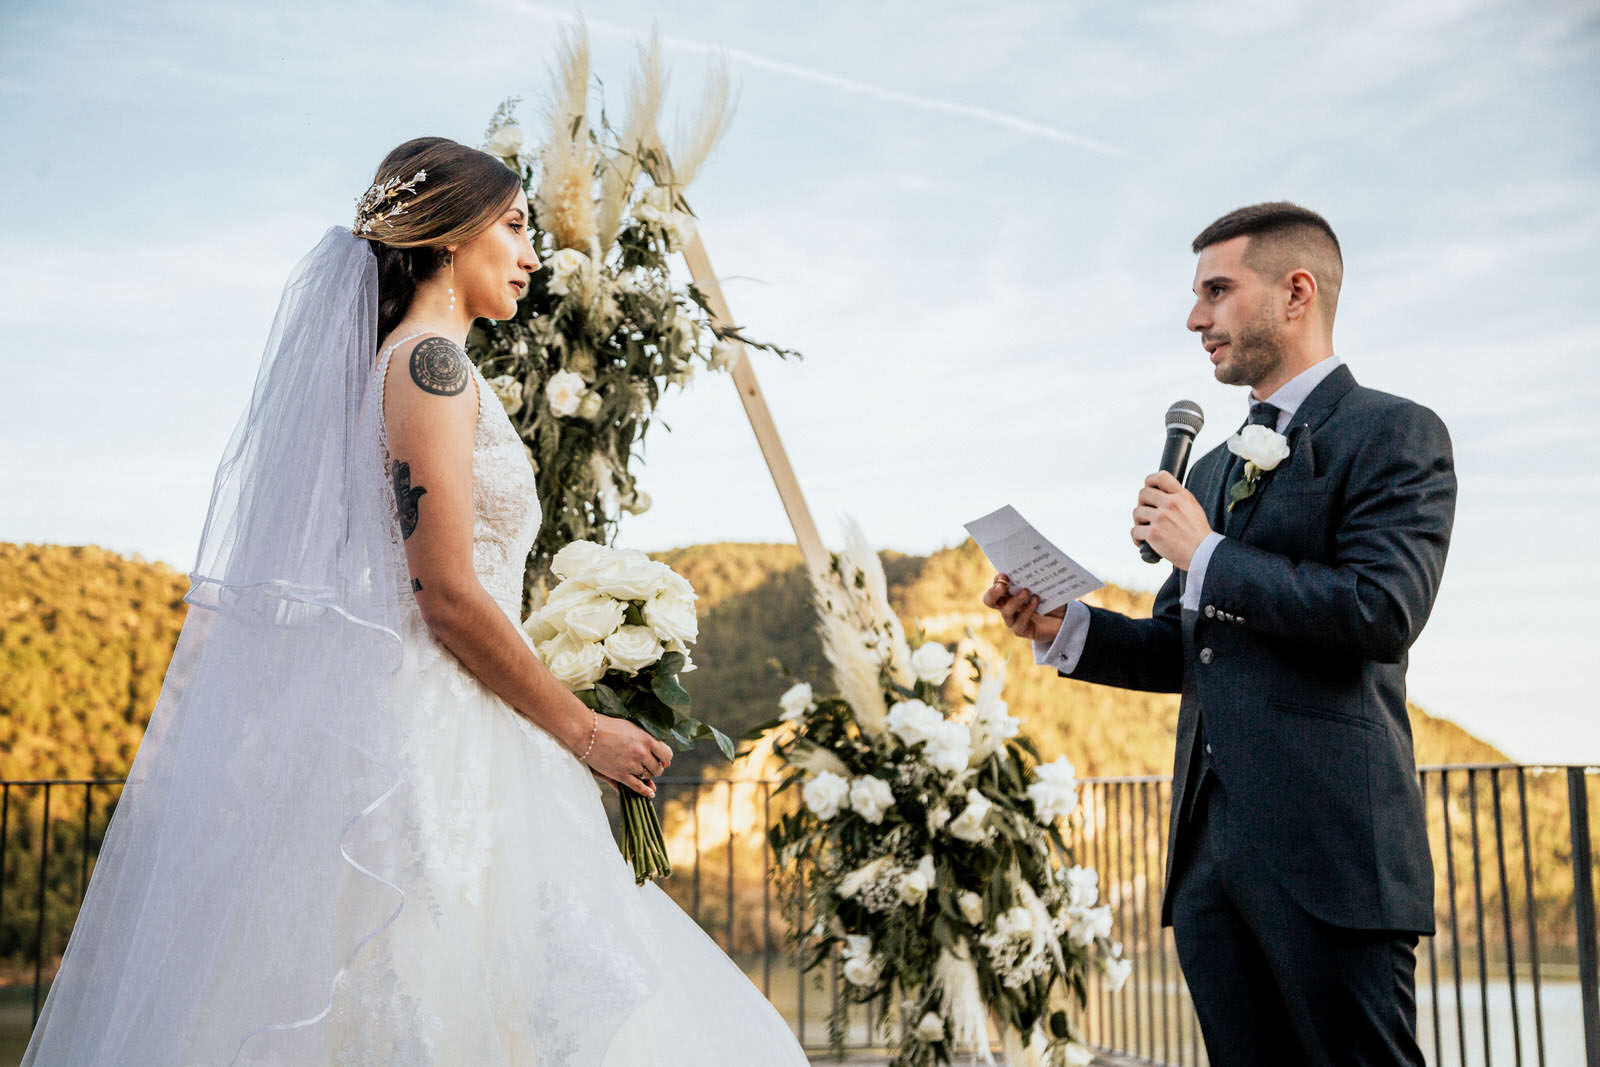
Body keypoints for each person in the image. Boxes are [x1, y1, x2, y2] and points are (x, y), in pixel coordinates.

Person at [23, 137, 808, 1065]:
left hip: (461, 714)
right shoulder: (429, 363)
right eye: (515, 227)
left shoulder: (428, 363)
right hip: (443, 732)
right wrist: (585, 730)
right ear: (449, 237)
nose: (531, 254)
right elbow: (444, 591)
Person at [983, 202, 1455, 1066]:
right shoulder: (1213, 463)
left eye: (1217, 291)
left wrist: (1206, 550)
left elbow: (1381, 610)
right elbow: (1182, 645)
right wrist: (1064, 627)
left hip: (1330, 852)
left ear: (1296, 292)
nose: (1195, 318)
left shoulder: (1395, 432)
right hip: (1207, 863)